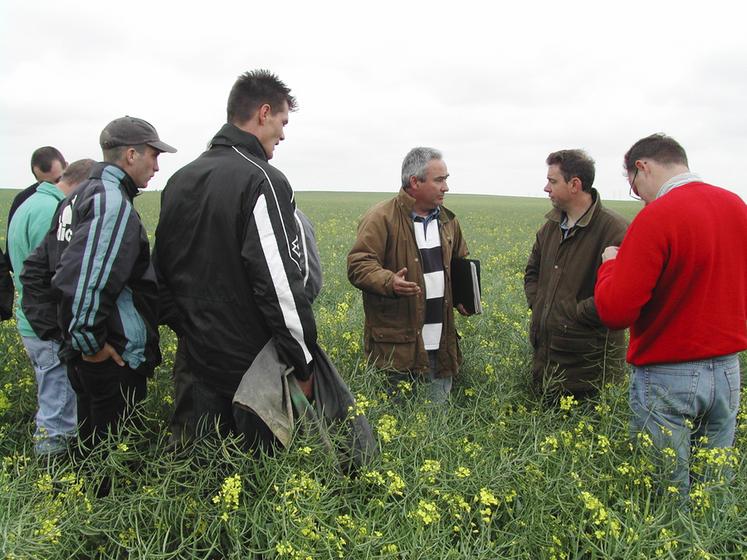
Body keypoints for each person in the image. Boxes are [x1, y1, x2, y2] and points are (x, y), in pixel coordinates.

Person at [153, 70, 317, 450]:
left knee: (195, 470)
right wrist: (303, 361)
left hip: (192, 360)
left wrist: (189, 330)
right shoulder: (263, 179)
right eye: (282, 121)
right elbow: (280, 285)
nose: (284, 134)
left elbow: (159, 271)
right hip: (249, 368)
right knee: (252, 482)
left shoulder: (180, 179)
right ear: (263, 113)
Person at [595, 133, 747, 496]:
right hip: (728, 370)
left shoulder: (657, 216)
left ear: (642, 167)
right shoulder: (737, 206)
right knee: (712, 489)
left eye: (634, 185)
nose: (638, 195)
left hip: (668, 372)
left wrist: (610, 267)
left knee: (663, 494)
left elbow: (615, 311)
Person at [21, 116, 176, 449]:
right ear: (131, 155)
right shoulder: (110, 201)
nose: (157, 166)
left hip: (86, 355)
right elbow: (85, 280)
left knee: (92, 449)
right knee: (112, 460)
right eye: (153, 155)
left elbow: (36, 269)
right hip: (111, 357)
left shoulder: (76, 198)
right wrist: (89, 344)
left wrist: (60, 334)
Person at [347, 147, 471, 403]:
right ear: (415, 182)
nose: (446, 187)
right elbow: (359, 265)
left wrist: (464, 297)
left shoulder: (448, 221)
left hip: (440, 346)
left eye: (446, 179)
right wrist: (389, 281)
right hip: (397, 348)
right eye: (439, 180)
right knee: (397, 421)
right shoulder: (380, 217)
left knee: (437, 428)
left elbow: (458, 264)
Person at [524, 149, 628, 399]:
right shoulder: (550, 227)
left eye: (552, 181)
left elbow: (620, 293)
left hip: (590, 369)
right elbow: (532, 272)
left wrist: (573, 314)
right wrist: (539, 305)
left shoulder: (614, 230)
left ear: (575, 185)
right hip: (547, 362)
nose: (546, 188)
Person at [8, 159, 94, 455]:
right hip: (46, 325)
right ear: (82, 185)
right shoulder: (53, 211)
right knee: (58, 410)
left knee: (53, 401)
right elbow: (57, 272)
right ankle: (53, 473)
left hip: (30, 321)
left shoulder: (30, 203)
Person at [6, 147, 67, 270]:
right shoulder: (23, 199)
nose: (55, 188)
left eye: (58, 180)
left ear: (67, 166)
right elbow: (12, 251)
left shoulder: (78, 196)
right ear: (35, 177)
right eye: (46, 184)